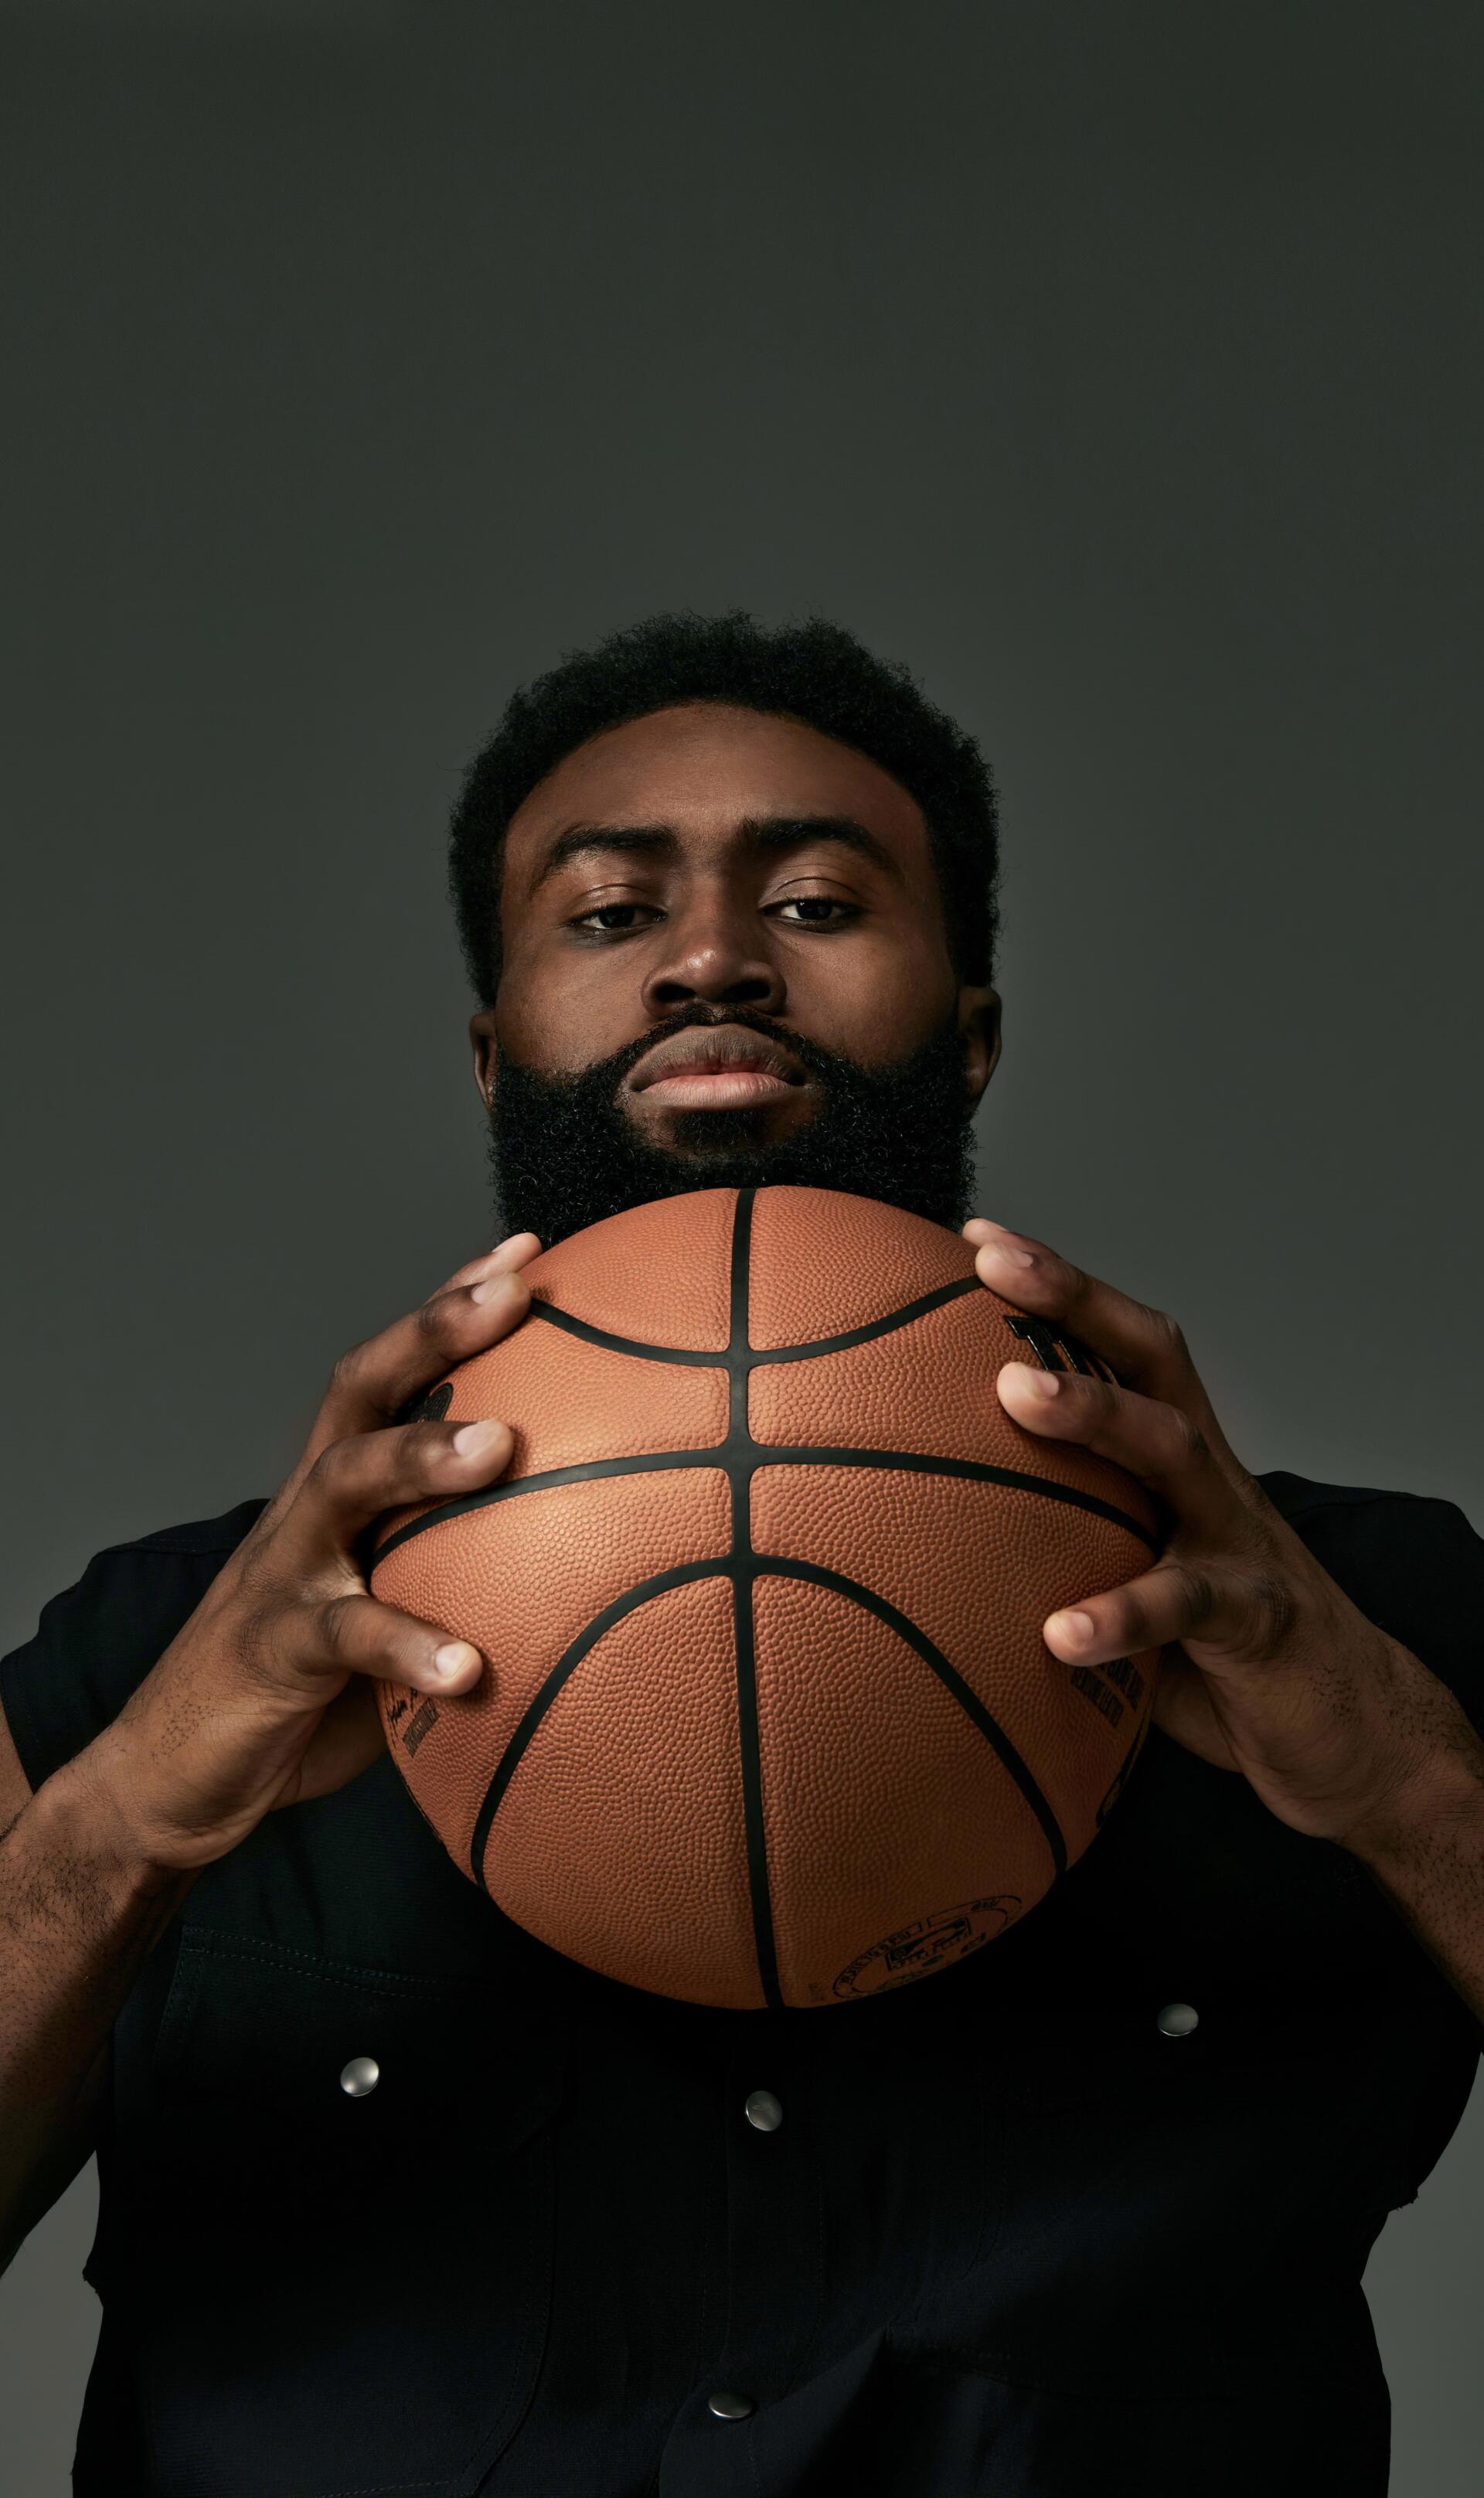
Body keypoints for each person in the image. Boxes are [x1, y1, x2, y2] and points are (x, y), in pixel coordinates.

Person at [2, 610, 1481, 2498]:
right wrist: (119, 1816)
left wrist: (1416, 1784)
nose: (714, 958)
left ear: (975, 1027)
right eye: (612, 912)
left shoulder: (1351, 1630)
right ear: (491, 1052)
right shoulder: (171, 1651)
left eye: (817, 899)